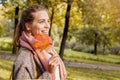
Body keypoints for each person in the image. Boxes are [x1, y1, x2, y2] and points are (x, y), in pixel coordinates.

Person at [11, 4, 66, 80]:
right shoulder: (25, 56)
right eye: (41, 22)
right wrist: (49, 74)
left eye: (48, 21)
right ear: (28, 26)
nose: (47, 26)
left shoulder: (48, 50)